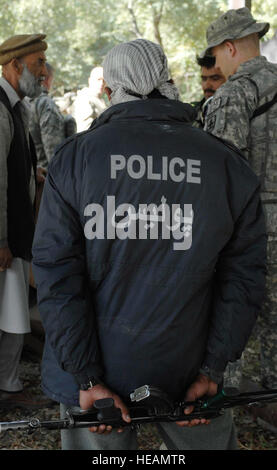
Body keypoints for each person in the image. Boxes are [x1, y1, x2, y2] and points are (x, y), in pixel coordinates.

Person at [32, 38, 267, 450]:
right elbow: (243, 278)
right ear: (169, 82)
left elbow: (57, 277)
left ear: (108, 91)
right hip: (189, 373)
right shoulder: (226, 163)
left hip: (97, 379)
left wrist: (87, 378)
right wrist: (212, 370)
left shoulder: (74, 160)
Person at [201, 7, 277, 427]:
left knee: (244, 315)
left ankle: (250, 406)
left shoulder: (234, 94)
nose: (216, 64)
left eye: (216, 55)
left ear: (230, 47)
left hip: (253, 228)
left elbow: (221, 179)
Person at [0, 34, 52, 408]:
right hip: (6, 237)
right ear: (15, 65)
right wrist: (0, 239)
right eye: (37, 63)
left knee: (13, 311)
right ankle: (8, 388)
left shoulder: (16, 107)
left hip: (15, 234)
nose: (43, 71)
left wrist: (30, 176)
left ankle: (10, 384)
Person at [28, 62, 76, 171]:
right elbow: (55, 153)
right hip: (46, 178)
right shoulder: (45, 104)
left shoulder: (22, 101)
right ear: (47, 79)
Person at [191, 55, 225, 128]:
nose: (207, 85)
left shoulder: (241, 112)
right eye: (204, 79)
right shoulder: (192, 115)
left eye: (215, 78)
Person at [71, 66, 106, 132]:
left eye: (104, 81)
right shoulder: (85, 99)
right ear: (90, 80)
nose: (101, 83)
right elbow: (84, 132)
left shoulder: (99, 100)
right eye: (98, 79)